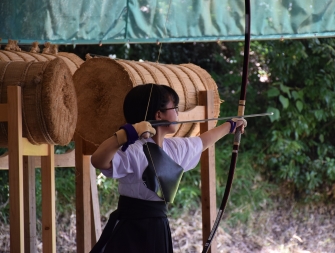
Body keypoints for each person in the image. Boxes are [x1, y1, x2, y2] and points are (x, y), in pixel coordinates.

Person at [90, 83, 247, 253]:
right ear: (159, 115)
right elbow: (99, 161)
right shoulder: (133, 149)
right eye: (175, 108)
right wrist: (126, 134)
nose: (178, 113)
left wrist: (231, 126)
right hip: (130, 227)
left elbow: (203, 141)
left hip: (158, 225)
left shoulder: (174, 148)